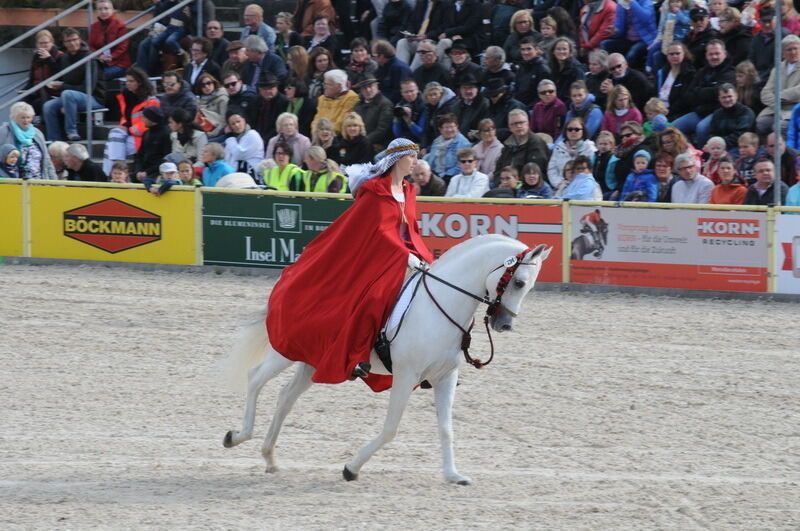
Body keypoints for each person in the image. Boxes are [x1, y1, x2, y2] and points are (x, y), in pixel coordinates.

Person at [266, 138, 431, 390]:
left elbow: (411, 228)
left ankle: (429, 360)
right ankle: (358, 356)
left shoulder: (409, 190)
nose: (416, 162)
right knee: (374, 300)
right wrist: (403, 255)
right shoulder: (375, 190)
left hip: (405, 254)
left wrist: (421, 255)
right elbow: (377, 231)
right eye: (412, 157)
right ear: (398, 159)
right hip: (376, 257)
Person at [43, 28, 105, 142]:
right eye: (68, 41)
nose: (72, 43)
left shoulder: (90, 58)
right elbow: (58, 73)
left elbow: (88, 89)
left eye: (74, 40)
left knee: (67, 94)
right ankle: (53, 141)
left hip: (93, 98)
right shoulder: (64, 58)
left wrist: (63, 86)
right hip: (70, 97)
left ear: (80, 40)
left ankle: (71, 132)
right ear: (64, 43)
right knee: (48, 105)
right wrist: (48, 59)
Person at [102, 67, 160, 175]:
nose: (128, 83)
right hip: (129, 134)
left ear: (140, 82)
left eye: (131, 81)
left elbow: (151, 124)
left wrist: (129, 130)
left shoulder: (151, 100)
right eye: (127, 81)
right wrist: (124, 125)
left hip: (143, 138)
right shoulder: (126, 96)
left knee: (111, 145)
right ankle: (118, 170)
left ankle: (112, 174)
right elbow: (125, 117)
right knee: (114, 134)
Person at [756, 35, 800, 137]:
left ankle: (788, 152)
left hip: (795, 110)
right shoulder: (777, 69)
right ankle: (767, 151)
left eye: (795, 49)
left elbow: (798, 91)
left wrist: (778, 95)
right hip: (776, 108)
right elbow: (765, 93)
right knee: (761, 123)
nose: (793, 52)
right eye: (789, 50)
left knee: (780, 126)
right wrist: (777, 103)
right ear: (783, 53)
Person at [0, 102, 56, 180]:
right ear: (14, 117)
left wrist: (54, 181)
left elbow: (47, 160)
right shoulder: (4, 131)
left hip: (39, 181)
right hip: (14, 182)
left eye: (28, 117)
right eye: (22, 117)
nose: (26, 120)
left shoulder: (37, 133)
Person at [494, 108, 550, 182]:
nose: (519, 126)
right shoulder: (507, 145)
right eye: (514, 124)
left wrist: (515, 184)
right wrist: (500, 182)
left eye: (521, 122)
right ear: (509, 127)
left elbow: (535, 173)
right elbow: (498, 169)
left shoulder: (536, 143)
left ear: (528, 123)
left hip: (528, 186)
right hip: (506, 184)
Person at [600, 0, 656, 67]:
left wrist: (632, 2)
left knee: (631, 54)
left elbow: (646, 18)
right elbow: (619, 27)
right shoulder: (621, 3)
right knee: (605, 44)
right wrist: (615, 31)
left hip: (645, 40)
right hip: (628, 39)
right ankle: (606, 72)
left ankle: (624, 74)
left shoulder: (646, 1)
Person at [23, 30, 64, 117]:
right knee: (20, 105)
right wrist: (24, 91)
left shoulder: (59, 55)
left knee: (38, 104)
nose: (43, 46)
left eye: (46, 43)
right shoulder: (36, 57)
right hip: (37, 91)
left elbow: (60, 75)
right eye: (41, 43)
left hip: (52, 93)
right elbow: (32, 79)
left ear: (52, 43)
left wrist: (49, 59)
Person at [548, 117, 597, 188]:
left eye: (577, 129)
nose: (573, 132)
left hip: (583, 187)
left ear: (583, 131)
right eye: (570, 129)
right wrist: (559, 184)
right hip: (561, 186)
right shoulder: (558, 147)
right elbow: (552, 169)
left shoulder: (590, 148)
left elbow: (591, 171)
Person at [87, 0, 131, 80]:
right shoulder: (94, 27)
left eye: (106, 8)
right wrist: (99, 56)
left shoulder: (120, 26)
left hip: (119, 64)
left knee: (97, 76)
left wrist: (111, 57)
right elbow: (90, 46)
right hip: (100, 62)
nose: (103, 11)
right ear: (97, 11)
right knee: (85, 73)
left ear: (112, 10)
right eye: (100, 9)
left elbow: (123, 46)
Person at [424, 113, 473, 181]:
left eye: (452, 127)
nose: (450, 130)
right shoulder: (437, 141)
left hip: (451, 177)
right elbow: (431, 161)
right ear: (440, 129)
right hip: (434, 175)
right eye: (446, 127)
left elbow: (460, 166)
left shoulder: (464, 143)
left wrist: (442, 176)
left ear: (457, 127)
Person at [708, 83, 754, 155]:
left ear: (736, 96)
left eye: (729, 96)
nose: (727, 100)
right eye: (724, 97)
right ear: (719, 98)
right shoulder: (717, 113)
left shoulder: (746, 112)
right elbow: (712, 132)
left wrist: (720, 143)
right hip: (719, 147)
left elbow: (741, 135)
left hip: (738, 147)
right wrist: (714, 144)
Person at [646, 0, 689, 74]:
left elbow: (686, 21)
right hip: (667, 39)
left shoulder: (685, 13)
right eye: (672, 2)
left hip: (679, 40)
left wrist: (678, 13)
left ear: (682, 3)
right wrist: (664, 28)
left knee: (662, 54)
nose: (675, 4)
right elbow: (663, 26)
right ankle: (648, 66)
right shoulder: (669, 15)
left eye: (677, 2)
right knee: (653, 48)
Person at [353, 73, 394, 149]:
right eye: (364, 88)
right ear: (361, 90)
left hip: (378, 145)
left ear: (376, 86)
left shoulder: (385, 104)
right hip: (359, 143)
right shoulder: (357, 105)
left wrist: (363, 141)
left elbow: (382, 130)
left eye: (370, 86)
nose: (368, 90)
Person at [657, 42, 696, 122]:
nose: (674, 56)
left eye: (677, 53)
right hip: (659, 112)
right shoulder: (662, 72)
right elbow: (655, 93)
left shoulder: (690, 74)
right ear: (667, 56)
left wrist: (666, 113)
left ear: (684, 54)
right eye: (671, 54)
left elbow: (684, 100)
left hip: (677, 114)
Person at [313, 69, 359, 134]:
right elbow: (316, 120)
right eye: (324, 84)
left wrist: (325, 132)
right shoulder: (322, 99)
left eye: (328, 84)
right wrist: (315, 132)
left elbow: (341, 123)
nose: (324, 87)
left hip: (337, 137)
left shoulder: (351, 98)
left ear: (339, 86)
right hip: (320, 136)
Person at [132, 106, 170, 183]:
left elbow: (166, 158)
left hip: (157, 171)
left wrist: (147, 172)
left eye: (144, 117)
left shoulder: (166, 134)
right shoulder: (146, 133)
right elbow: (139, 156)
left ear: (152, 119)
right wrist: (138, 171)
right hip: (143, 171)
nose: (142, 120)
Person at [247, 72, 289, 142]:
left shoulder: (284, 102)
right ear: (259, 89)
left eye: (271, 88)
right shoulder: (254, 101)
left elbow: (279, 127)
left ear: (276, 87)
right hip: (255, 138)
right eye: (264, 89)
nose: (268, 91)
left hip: (276, 140)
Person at [223, 110, 264, 179]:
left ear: (244, 121)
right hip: (234, 177)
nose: (237, 125)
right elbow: (227, 160)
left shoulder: (253, 135)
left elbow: (238, 155)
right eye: (233, 124)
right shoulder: (233, 140)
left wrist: (229, 138)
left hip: (252, 177)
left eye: (238, 121)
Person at [513, 36, 551, 107]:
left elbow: (544, 95)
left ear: (536, 50)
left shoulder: (543, 69)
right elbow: (516, 89)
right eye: (523, 49)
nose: (526, 52)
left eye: (529, 49)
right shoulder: (521, 67)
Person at [549, 38, 585, 103]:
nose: (561, 52)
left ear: (570, 52)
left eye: (564, 49)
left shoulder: (576, 69)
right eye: (558, 49)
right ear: (553, 52)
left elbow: (579, 92)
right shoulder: (552, 67)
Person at [455, 74, 490, 141]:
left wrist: (476, 134)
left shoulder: (484, 104)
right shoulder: (455, 106)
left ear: (477, 89)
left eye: (470, 88)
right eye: (464, 88)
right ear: (460, 90)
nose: (468, 91)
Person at [195, 72, 229, 139]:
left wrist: (210, 134)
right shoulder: (199, 101)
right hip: (203, 132)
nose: (206, 87)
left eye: (209, 83)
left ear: (214, 83)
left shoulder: (222, 98)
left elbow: (224, 121)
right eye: (203, 85)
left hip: (219, 133)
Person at [392, 79, 426, 144]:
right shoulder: (400, 105)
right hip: (403, 142)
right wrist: (397, 117)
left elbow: (421, 135)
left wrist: (409, 121)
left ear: (417, 90)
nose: (409, 94)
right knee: (380, 155)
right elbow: (397, 134)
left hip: (419, 143)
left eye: (411, 91)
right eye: (406, 92)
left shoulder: (424, 106)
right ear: (401, 93)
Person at [593, 130, 615, 196]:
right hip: (596, 188)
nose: (603, 146)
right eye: (600, 144)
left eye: (605, 144)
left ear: (611, 145)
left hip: (608, 188)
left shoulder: (614, 159)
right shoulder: (594, 157)